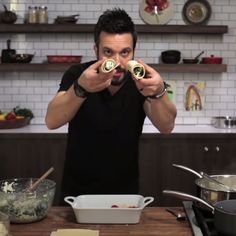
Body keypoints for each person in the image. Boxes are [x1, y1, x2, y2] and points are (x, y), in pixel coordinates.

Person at [45, 8, 177, 204]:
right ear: (96, 50)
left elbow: (166, 126)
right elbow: (52, 121)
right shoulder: (79, 74)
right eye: (108, 52)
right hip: (77, 193)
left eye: (125, 52)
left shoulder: (142, 79)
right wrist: (81, 88)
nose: (117, 62)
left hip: (125, 192)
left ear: (134, 52)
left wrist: (158, 92)